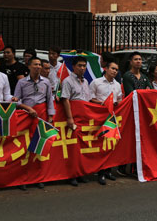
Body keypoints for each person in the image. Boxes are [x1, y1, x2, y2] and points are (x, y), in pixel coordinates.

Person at [13, 57, 54, 190]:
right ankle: (23, 178)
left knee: (39, 147)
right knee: (26, 147)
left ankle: (38, 177)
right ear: (29, 66)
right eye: (35, 65)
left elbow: (49, 100)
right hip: (26, 117)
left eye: (39, 65)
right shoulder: (22, 82)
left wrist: (50, 117)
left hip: (41, 116)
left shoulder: (46, 82)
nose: (37, 67)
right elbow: (16, 101)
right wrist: (27, 108)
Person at [60, 56, 93, 187]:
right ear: (73, 67)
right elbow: (65, 99)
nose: (82, 68)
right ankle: (71, 175)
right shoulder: (67, 81)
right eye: (79, 65)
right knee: (72, 148)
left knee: (83, 148)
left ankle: (80, 173)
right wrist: (69, 118)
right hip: (74, 118)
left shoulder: (85, 82)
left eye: (84, 66)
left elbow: (88, 100)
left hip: (84, 118)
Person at [89, 60, 122, 185]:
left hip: (111, 118)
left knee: (110, 144)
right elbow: (90, 98)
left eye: (116, 69)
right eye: (112, 68)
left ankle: (108, 170)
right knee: (100, 145)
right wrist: (102, 103)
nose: (114, 71)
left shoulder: (118, 85)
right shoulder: (96, 82)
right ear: (106, 69)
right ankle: (100, 172)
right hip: (99, 116)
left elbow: (120, 99)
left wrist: (116, 103)